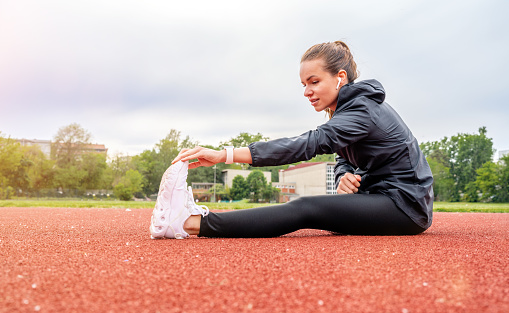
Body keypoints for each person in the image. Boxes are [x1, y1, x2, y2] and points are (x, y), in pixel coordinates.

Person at [149, 41, 434, 240]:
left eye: (314, 81)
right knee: (311, 208)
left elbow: (309, 144)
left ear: (340, 78)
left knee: (307, 208)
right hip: (380, 196)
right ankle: (189, 220)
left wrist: (225, 155)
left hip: (404, 205)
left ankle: (189, 223)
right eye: (303, 85)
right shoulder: (346, 110)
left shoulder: (363, 110)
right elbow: (343, 157)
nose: (307, 91)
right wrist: (345, 175)